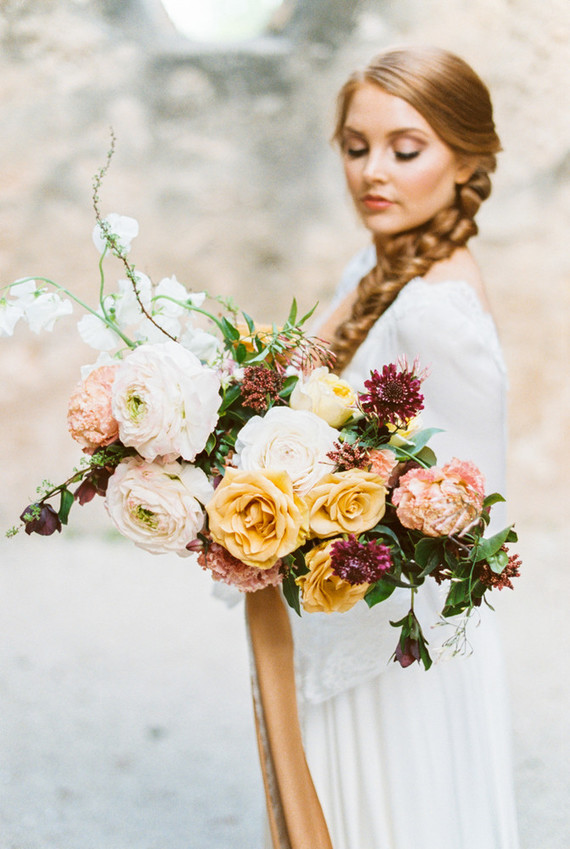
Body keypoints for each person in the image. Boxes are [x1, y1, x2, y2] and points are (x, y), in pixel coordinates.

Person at [247, 46, 520, 849]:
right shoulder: (378, 263)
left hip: (404, 630)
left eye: (406, 150)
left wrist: (318, 505)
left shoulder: (437, 307)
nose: (374, 171)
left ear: (465, 160)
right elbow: (294, 376)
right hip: (350, 601)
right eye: (355, 146)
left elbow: (466, 509)